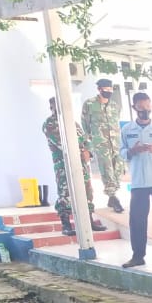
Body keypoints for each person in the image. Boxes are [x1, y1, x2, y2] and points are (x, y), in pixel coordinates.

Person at [42, 98, 108, 238]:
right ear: (51, 107)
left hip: (81, 165)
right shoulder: (49, 124)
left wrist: (88, 151)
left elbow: (85, 139)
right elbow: (63, 143)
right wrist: (82, 150)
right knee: (65, 194)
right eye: (55, 106)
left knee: (87, 192)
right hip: (64, 166)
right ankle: (66, 224)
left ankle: (89, 221)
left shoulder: (73, 123)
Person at [120, 91, 152, 268]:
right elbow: (121, 152)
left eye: (148, 107)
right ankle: (138, 256)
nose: (145, 110)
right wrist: (131, 151)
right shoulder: (127, 130)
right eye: (141, 107)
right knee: (137, 220)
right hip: (138, 181)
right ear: (134, 108)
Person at [81, 78, 125, 212]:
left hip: (116, 143)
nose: (109, 92)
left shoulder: (115, 105)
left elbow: (116, 122)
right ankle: (113, 196)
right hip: (101, 143)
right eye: (106, 89)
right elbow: (85, 125)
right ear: (99, 89)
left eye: (110, 89)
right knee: (107, 169)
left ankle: (112, 194)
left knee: (118, 169)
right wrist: (88, 145)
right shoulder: (89, 104)